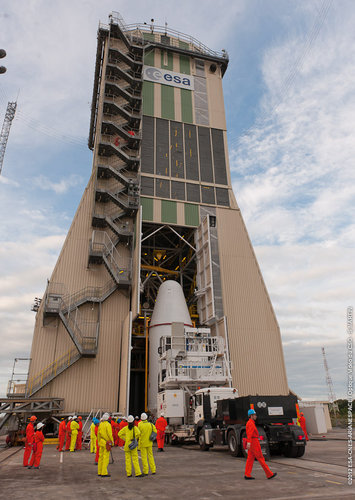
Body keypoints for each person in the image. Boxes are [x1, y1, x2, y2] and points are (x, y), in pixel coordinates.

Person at [244, 409, 277, 480]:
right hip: (254, 442)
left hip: (252, 442)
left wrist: (249, 442)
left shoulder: (250, 422)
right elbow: (249, 434)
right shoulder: (251, 423)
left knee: (250, 459)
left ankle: (247, 474)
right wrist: (249, 442)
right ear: (251, 416)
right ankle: (269, 474)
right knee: (260, 458)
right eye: (255, 415)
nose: (256, 416)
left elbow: (249, 434)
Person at [97, 413, 113, 477]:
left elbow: (98, 434)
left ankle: (99, 471)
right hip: (106, 442)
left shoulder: (100, 424)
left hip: (101, 442)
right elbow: (110, 434)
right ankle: (104, 472)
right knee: (105, 458)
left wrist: (98, 441)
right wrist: (112, 442)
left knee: (100, 457)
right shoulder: (108, 425)